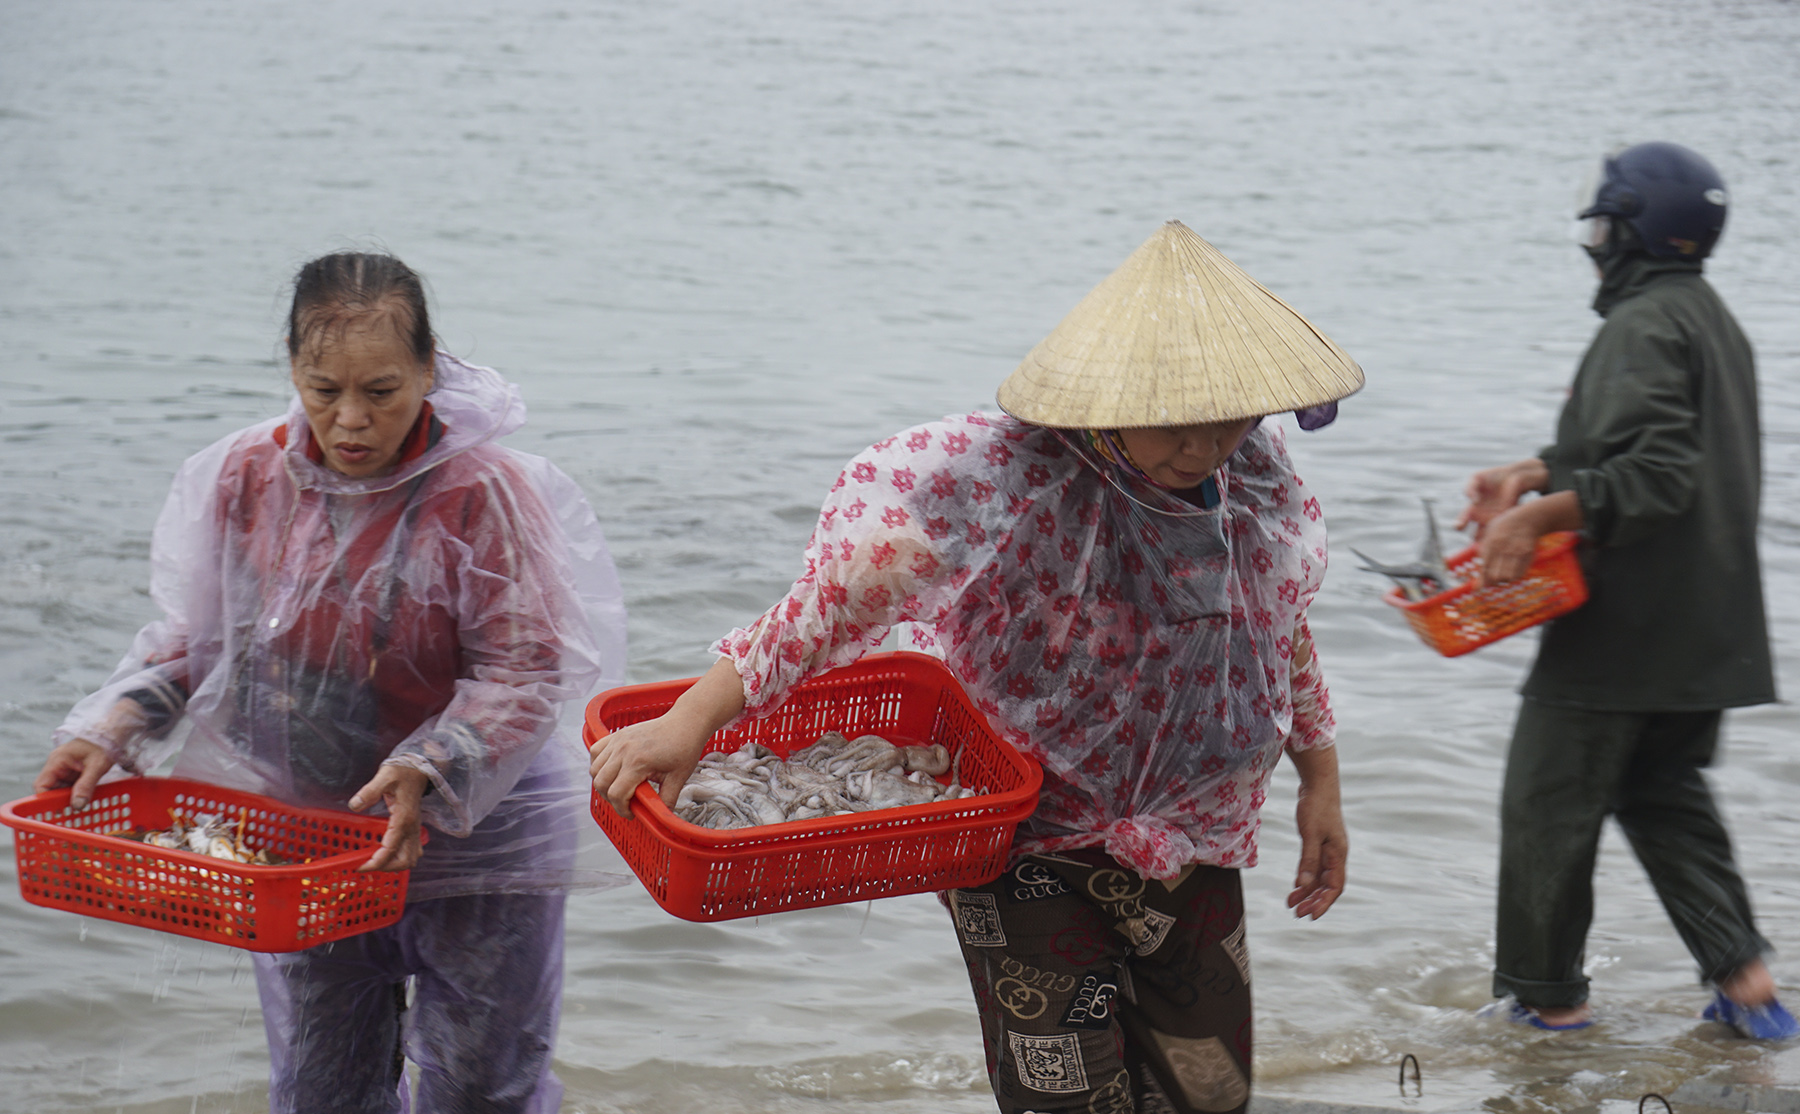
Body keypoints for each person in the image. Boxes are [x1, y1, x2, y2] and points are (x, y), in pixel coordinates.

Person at [591, 221, 1360, 1113]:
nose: (1200, 447)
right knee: (1067, 1102)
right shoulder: (1005, 480)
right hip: (1028, 842)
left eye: (1226, 417)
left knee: (1206, 1091)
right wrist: (690, 721)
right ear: (1106, 396)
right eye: (1172, 422)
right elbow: (835, 602)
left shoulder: (1254, 476)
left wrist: (1321, 778)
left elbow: (1276, 636)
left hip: (1196, 839)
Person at [33, 252, 627, 1112]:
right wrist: (110, 724)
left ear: (430, 368)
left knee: (481, 1087)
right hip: (308, 833)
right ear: (291, 368)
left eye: (382, 391)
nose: (351, 420)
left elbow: (528, 667)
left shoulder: (483, 491)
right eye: (324, 389)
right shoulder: (245, 476)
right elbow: (203, 639)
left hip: (471, 834)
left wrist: (434, 761)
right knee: (321, 1088)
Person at [1458, 142, 1794, 1038]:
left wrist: (1531, 521)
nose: (1594, 238)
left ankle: (1548, 1003)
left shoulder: (1639, 325)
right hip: (1706, 632)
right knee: (1661, 791)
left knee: (1545, 800)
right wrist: (1536, 472)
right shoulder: (1706, 317)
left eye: (1603, 220)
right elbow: (1659, 452)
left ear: (1631, 228)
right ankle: (1747, 983)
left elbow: (1654, 478)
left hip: (1625, 635)